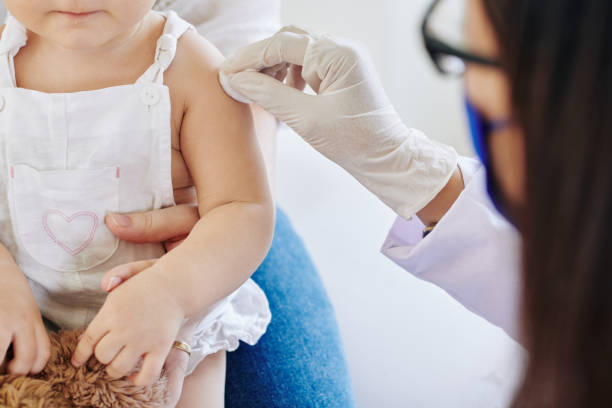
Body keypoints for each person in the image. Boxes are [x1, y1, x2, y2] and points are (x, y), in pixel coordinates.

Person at [110, 0, 612, 405]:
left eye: (468, 53)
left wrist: (193, 285)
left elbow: (242, 179)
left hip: (205, 223)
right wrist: (408, 169)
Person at [0, 1, 277, 407]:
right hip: (22, 310)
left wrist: (171, 293)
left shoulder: (191, 68)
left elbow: (244, 208)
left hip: (169, 320)